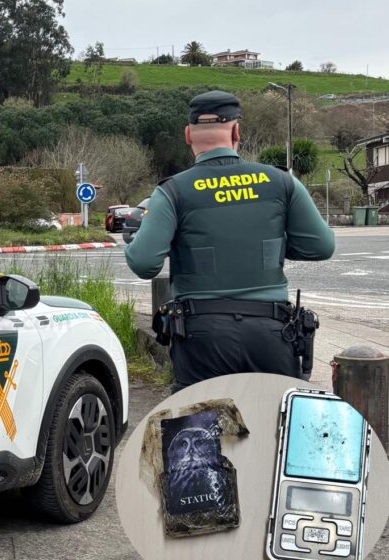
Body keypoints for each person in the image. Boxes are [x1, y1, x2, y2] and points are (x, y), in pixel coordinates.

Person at [124, 90, 335, 392]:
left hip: (201, 338)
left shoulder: (173, 191)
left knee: (198, 434)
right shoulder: (281, 181)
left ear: (188, 135)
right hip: (272, 335)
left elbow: (144, 263)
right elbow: (321, 246)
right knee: (277, 430)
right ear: (236, 131)